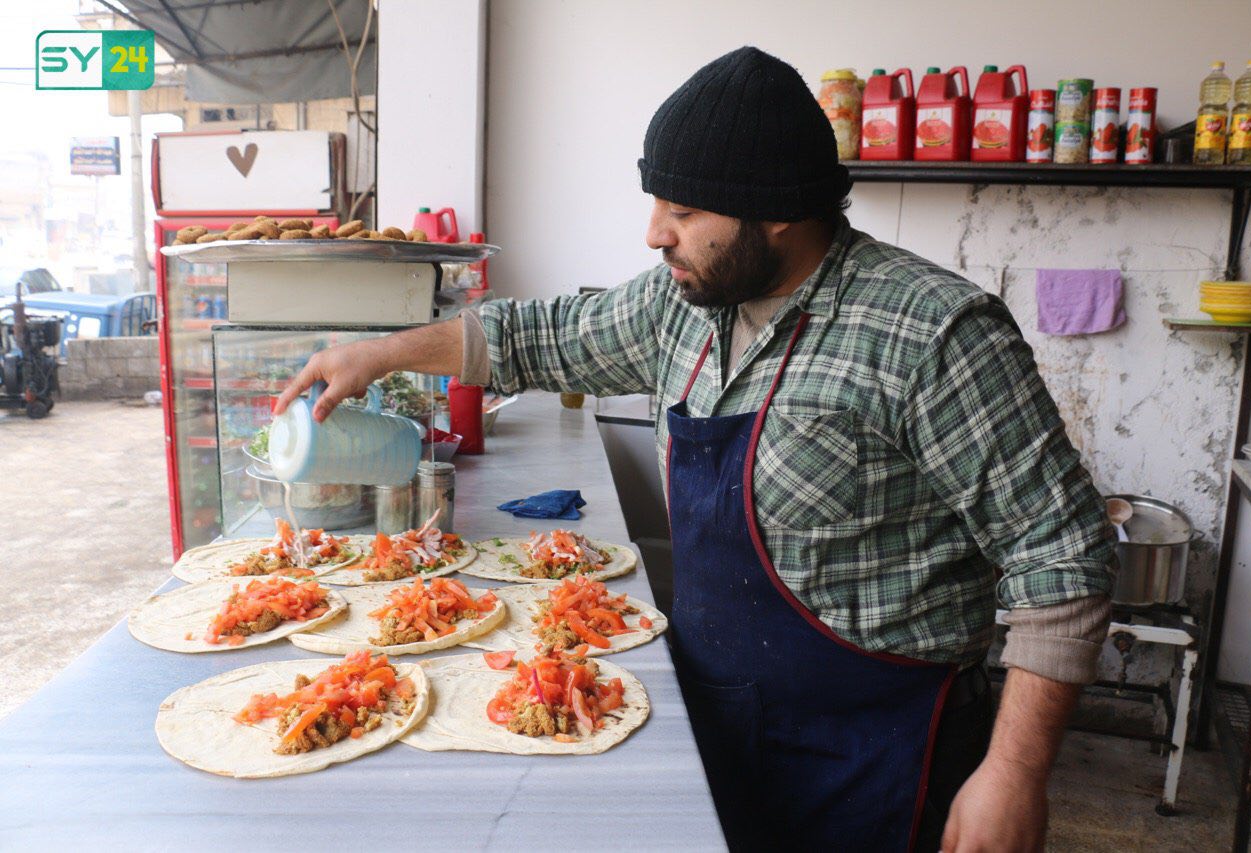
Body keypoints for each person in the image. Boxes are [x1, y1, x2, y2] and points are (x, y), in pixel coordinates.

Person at [275, 46, 1114, 853]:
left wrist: (1013, 772)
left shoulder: (934, 334)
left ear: (777, 209)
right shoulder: (687, 305)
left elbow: (1063, 558)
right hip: (716, 710)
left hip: (876, 745)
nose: (653, 235)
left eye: (683, 212)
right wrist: (378, 353)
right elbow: (537, 335)